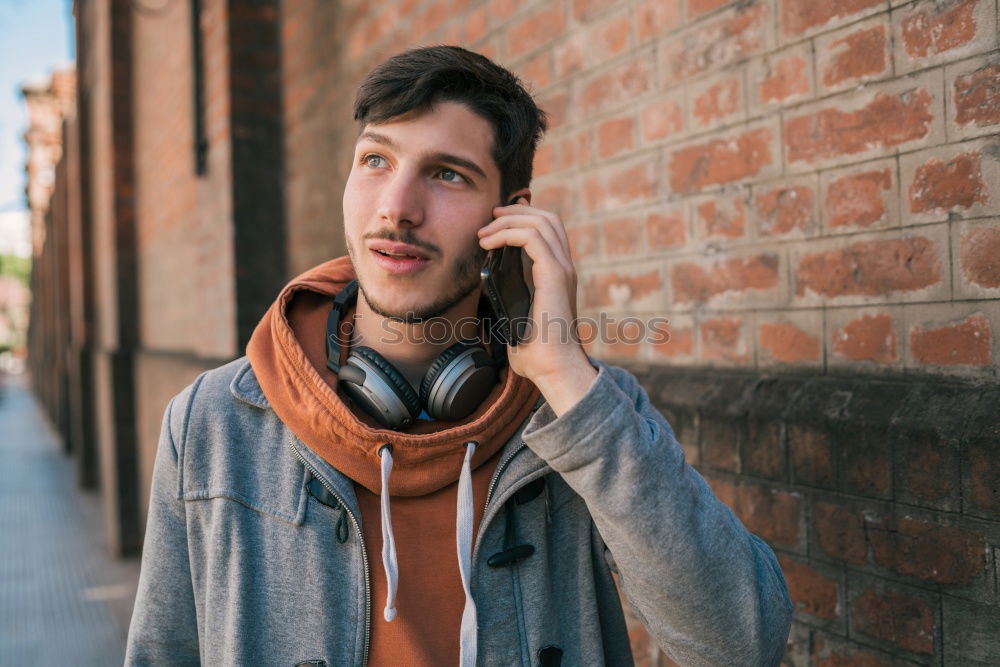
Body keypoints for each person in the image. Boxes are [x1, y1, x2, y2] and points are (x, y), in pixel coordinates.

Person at [125, 46, 792, 666]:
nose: (397, 207)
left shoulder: (581, 412)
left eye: (446, 174)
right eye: (377, 160)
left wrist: (564, 376)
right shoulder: (212, 423)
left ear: (511, 218)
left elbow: (740, 642)